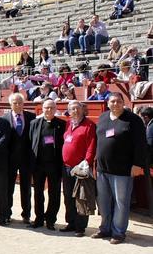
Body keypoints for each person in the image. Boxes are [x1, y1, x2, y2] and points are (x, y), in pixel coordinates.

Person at [93, 93, 147, 244]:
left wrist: (137, 164)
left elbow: (140, 144)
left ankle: (118, 233)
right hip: (103, 169)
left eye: (119, 101)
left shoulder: (134, 120)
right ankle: (105, 228)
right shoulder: (103, 117)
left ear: (123, 103)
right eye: (112, 101)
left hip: (123, 170)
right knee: (103, 201)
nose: (115, 104)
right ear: (108, 103)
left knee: (121, 202)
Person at [29, 100, 66, 230]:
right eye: (46, 108)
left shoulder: (61, 124)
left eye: (51, 108)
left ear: (55, 109)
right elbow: (30, 143)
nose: (49, 110)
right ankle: (39, 218)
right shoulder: (34, 123)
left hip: (54, 165)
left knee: (54, 193)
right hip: (38, 164)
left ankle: (51, 219)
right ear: (42, 109)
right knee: (38, 192)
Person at [61, 101, 96, 237]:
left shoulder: (89, 125)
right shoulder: (68, 123)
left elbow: (91, 146)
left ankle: (80, 227)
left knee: (81, 198)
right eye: (72, 109)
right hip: (66, 167)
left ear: (82, 109)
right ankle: (71, 223)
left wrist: (86, 162)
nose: (74, 111)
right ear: (68, 111)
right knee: (68, 196)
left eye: (77, 108)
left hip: (80, 168)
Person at [1, 93, 35, 224]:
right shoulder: (4, 119)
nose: (17, 105)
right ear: (10, 104)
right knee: (9, 187)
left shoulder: (31, 117)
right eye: (15, 103)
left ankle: (26, 214)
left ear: (23, 103)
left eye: (20, 102)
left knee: (26, 188)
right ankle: (7, 213)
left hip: (26, 159)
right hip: (10, 159)